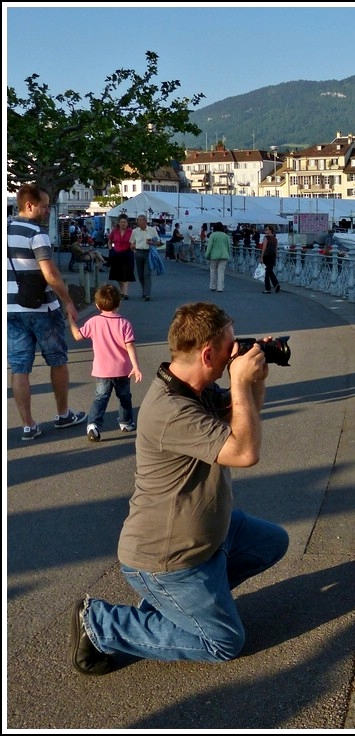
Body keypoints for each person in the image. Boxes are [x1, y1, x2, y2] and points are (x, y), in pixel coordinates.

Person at [70, 301, 289, 675]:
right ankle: (100, 624)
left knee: (271, 543)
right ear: (207, 354)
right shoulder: (171, 410)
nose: (234, 353)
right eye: (229, 347)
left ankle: (169, 607)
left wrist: (256, 379)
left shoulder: (193, 387)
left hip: (210, 538)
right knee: (223, 643)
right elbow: (245, 451)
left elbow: (244, 415)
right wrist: (239, 380)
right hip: (167, 560)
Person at [6, 183, 88, 440]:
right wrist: (68, 301)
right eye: (44, 206)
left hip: (11, 309)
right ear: (29, 205)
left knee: (19, 367)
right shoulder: (37, 234)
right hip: (42, 308)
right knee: (57, 359)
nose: (48, 211)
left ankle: (28, 425)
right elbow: (50, 274)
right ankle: (63, 414)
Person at [67, 284, 143, 443]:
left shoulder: (94, 322)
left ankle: (93, 424)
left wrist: (71, 320)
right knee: (125, 397)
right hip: (123, 370)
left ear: (97, 305)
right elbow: (130, 346)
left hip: (102, 370)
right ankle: (126, 422)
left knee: (100, 398)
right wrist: (135, 366)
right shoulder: (125, 324)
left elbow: (77, 336)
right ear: (119, 303)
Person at [129, 214, 161, 301]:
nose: (138, 222)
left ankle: (147, 294)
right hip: (138, 253)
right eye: (138, 220)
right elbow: (131, 243)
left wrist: (152, 243)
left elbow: (158, 242)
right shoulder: (135, 231)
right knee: (140, 275)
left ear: (145, 221)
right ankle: (144, 291)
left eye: (140, 220)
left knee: (147, 273)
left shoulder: (152, 230)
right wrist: (133, 249)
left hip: (148, 253)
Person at [107, 215, 136, 299]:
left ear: (127, 223)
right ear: (119, 223)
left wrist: (133, 247)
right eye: (121, 222)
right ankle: (122, 291)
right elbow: (109, 241)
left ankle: (126, 293)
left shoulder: (131, 232)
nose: (123, 224)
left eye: (125, 222)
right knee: (118, 275)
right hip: (116, 254)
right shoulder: (114, 231)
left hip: (127, 254)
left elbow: (134, 242)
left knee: (126, 273)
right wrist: (110, 250)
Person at [205, 221, 232, 292]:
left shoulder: (212, 235)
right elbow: (228, 247)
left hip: (214, 255)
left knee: (213, 271)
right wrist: (228, 254)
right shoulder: (226, 236)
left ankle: (212, 286)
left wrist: (207, 255)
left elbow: (209, 246)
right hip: (224, 255)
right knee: (221, 272)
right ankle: (220, 288)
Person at [259, 225, 281, 294]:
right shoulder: (275, 239)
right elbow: (275, 249)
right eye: (265, 229)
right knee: (270, 271)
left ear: (270, 230)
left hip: (267, 256)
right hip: (273, 256)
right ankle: (276, 284)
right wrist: (276, 257)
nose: (265, 230)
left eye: (267, 229)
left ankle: (268, 288)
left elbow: (264, 248)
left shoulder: (266, 238)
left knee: (267, 273)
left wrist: (261, 257)